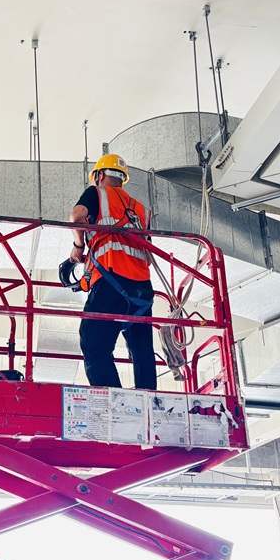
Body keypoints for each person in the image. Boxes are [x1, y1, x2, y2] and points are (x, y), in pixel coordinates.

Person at [69, 153, 156, 391]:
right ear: (122, 179)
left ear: (99, 175)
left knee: (93, 343)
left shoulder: (97, 193)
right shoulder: (141, 210)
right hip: (143, 291)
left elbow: (76, 217)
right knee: (142, 351)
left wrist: (79, 247)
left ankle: (111, 400)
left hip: (111, 282)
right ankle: (149, 397)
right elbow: (148, 256)